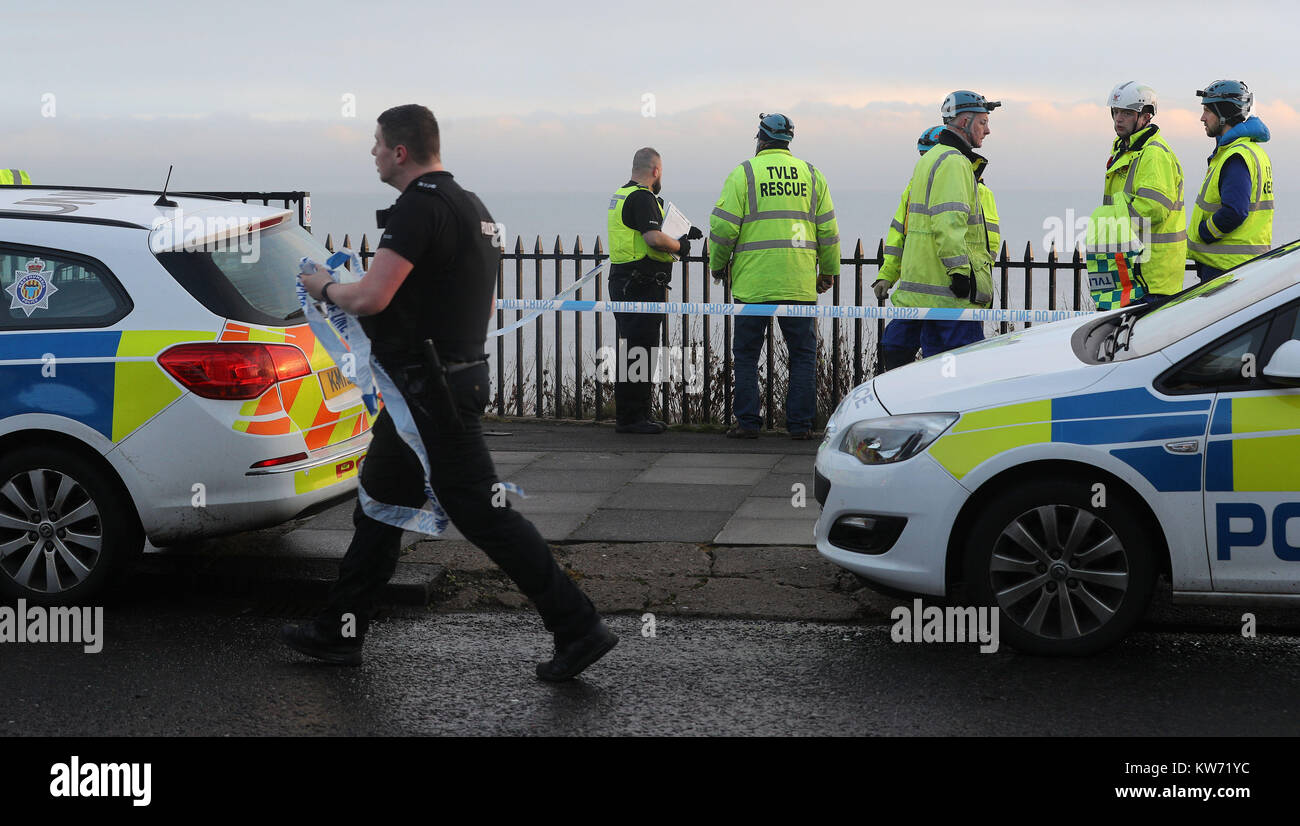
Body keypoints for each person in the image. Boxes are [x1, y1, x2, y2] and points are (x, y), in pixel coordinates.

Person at [284, 104, 616, 681]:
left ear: (401, 151)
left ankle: (579, 626)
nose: (373, 152)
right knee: (380, 502)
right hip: (448, 379)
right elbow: (479, 304)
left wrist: (324, 284)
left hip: (430, 391)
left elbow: (371, 298)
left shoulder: (418, 209)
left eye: (377, 143)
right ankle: (339, 631)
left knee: (485, 514)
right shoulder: (472, 207)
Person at [708, 112, 839, 439]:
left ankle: (748, 424)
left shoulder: (744, 173)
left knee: (747, 355)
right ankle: (799, 426)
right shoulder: (811, 174)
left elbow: (723, 228)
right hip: (798, 281)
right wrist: (829, 271)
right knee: (803, 356)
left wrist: (717, 264)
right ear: (788, 140)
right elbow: (829, 231)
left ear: (760, 139)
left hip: (754, 284)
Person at [874, 92, 999, 370]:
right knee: (956, 379)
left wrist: (888, 273)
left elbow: (904, 229)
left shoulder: (929, 161)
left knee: (925, 371)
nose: (988, 130)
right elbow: (948, 222)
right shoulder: (954, 162)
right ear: (965, 121)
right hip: (951, 297)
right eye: (983, 122)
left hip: (925, 290)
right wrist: (959, 272)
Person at [606, 148, 700, 434]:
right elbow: (653, 238)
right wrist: (681, 247)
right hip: (640, 283)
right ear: (656, 170)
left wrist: (682, 231)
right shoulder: (642, 197)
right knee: (640, 349)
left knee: (634, 348)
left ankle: (634, 415)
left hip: (625, 281)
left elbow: (649, 229)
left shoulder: (622, 194)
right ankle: (633, 419)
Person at [1097, 81, 1187, 308]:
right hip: (1132, 272)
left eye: (1127, 113)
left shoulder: (1153, 154)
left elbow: (1152, 208)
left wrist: (1109, 226)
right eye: (1116, 112)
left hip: (1151, 277)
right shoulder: (1124, 150)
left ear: (1146, 117)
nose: (1118, 118)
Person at [1188, 80, 1273, 283]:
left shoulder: (1235, 156)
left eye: (1207, 110)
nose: (1202, 118)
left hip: (1225, 269)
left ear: (1224, 114)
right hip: (1241, 266)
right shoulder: (1251, 151)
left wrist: (1205, 232)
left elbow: (1235, 211)